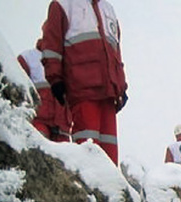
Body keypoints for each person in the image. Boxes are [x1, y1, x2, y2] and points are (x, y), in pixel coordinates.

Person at [40, 0, 128, 165]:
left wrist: (121, 86)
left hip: (109, 92)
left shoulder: (108, 9)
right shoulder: (63, 5)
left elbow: (116, 51)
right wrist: (55, 79)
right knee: (87, 146)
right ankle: (88, 187)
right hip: (82, 87)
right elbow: (52, 45)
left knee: (109, 150)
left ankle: (110, 188)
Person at [17, 40, 72, 142]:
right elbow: (17, 91)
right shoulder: (28, 58)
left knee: (64, 157)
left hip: (62, 129)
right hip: (37, 122)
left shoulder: (68, 61)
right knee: (37, 149)